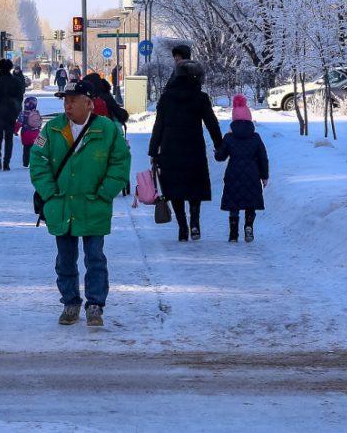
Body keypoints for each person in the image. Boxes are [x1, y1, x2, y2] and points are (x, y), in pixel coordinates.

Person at [29, 80, 131, 327]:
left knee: (95, 258)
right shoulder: (52, 129)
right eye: (65, 100)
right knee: (65, 259)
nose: (67, 105)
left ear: (89, 103)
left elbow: (120, 162)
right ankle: (70, 302)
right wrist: (50, 193)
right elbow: (38, 161)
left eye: (73, 100)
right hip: (61, 205)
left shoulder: (106, 130)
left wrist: (106, 192)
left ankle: (95, 304)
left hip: (93, 204)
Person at [148, 60, 223, 242]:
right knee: (194, 186)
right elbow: (211, 123)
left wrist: (153, 150)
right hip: (194, 147)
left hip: (170, 148)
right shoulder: (201, 97)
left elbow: (159, 125)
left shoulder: (166, 98)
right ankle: (195, 222)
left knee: (175, 188)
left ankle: (182, 226)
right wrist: (219, 144)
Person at [215, 94, 269, 243]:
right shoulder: (256, 137)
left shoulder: (229, 138)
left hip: (233, 174)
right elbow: (263, 158)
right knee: (250, 203)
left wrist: (217, 151)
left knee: (234, 203)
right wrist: (264, 176)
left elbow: (220, 157)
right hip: (252, 174)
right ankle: (249, 227)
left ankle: (233, 234)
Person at [0, 58, 24, 171]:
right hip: (11, 112)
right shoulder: (16, 81)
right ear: (11, 68)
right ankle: (6, 162)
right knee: (9, 138)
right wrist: (16, 110)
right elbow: (20, 97)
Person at [15, 96, 43, 168]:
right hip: (36, 134)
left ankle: (25, 163)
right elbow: (40, 123)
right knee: (35, 149)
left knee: (26, 148)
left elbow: (19, 123)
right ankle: (34, 162)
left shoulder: (23, 113)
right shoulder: (37, 112)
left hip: (26, 133)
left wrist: (15, 131)